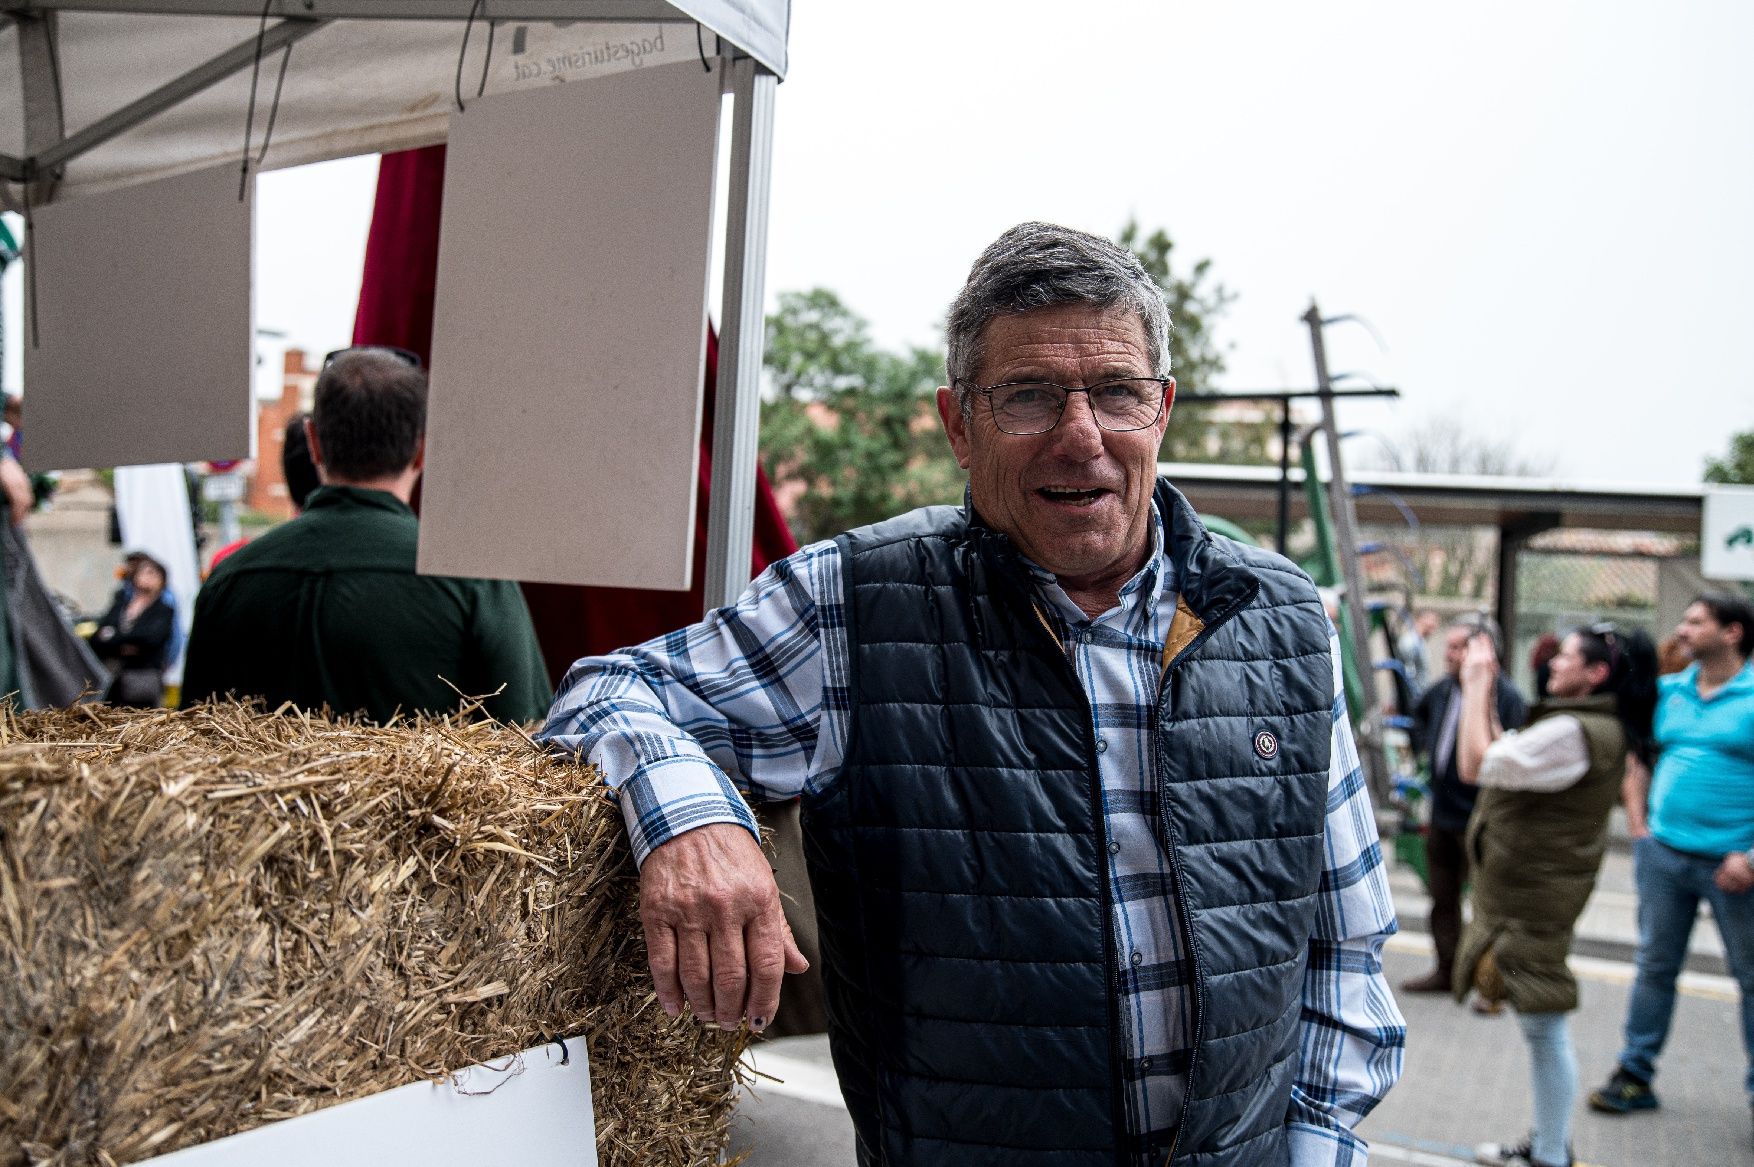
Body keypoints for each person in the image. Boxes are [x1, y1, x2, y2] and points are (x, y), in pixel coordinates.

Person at [540, 222, 1404, 1165]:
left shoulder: (1278, 618)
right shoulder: (855, 605)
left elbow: (1345, 942)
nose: (1082, 436)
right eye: (1029, 396)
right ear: (959, 424)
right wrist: (694, 819)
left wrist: (1319, 1143)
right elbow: (608, 691)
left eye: (1116, 392)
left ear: (1161, 411)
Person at [183, 348, 551, 725]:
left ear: (313, 442)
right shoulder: (474, 579)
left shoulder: (229, 580)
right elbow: (522, 732)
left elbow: (191, 736)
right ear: (422, 449)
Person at [1454, 623, 1658, 1167]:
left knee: (1545, 1028)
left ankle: (1549, 1153)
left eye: (1566, 656)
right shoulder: (1584, 726)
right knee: (1540, 1025)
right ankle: (1547, 1143)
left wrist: (1475, 682)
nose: (1553, 663)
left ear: (1596, 674)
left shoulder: (1574, 730)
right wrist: (1488, 687)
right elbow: (1504, 756)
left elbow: (1474, 764)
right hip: (1532, 897)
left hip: (1532, 904)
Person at [1587, 592, 1754, 1133]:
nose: (1682, 629)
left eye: (1695, 621)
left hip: (1735, 868)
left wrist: (1750, 858)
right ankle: (1634, 1074)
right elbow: (1641, 757)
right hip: (1664, 856)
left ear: (1732, 633)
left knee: (1750, 978)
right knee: (1655, 968)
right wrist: (1641, 829)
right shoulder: (1671, 691)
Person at [1402, 615, 1528, 994]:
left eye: (1459, 647)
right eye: (1449, 646)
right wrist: (1424, 745)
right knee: (1442, 898)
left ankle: (1490, 979)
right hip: (1442, 813)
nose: (1449, 654)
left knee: (1490, 904)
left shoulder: (1506, 697)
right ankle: (1448, 969)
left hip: (1480, 816)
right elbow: (1417, 715)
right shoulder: (1441, 691)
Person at [91, 551, 177, 707]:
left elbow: (151, 639)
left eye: (152, 573)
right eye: (143, 573)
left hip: (143, 678)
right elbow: (98, 636)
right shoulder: (121, 603)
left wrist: (115, 638)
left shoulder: (163, 609)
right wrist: (125, 641)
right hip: (114, 678)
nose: (147, 578)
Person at [1397, 608, 1441, 700]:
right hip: (1413, 698)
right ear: (1420, 619)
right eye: (1432, 620)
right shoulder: (1411, 643)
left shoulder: (1420, 642)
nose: (1435, 625)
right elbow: (1406, 673)